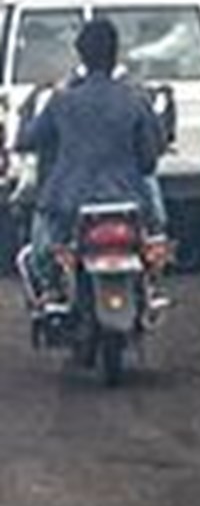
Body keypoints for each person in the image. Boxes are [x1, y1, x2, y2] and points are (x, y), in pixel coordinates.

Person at [19, 18, 163, 297]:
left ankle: (50, 294)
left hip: (69, 202)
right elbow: (149, 160)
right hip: (129, 201)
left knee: (41, 257)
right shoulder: (135, 100)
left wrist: (27, 114)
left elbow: (28, 140)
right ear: (115, 53)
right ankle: (148, 291)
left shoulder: (62, 102)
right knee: (154, 246)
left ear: (81, 55)